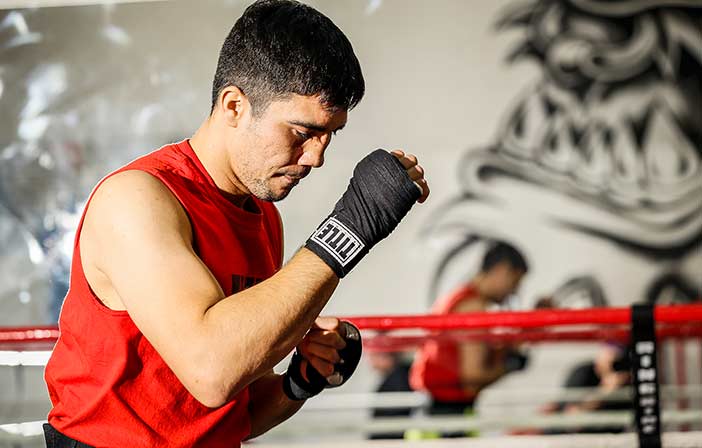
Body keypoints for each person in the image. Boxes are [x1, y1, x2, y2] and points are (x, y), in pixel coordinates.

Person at [42, 1, 429, 447]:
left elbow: (232, 410)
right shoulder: (138, 199)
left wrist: (299, 380)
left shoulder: (263, 219)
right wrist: (354, 225)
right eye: (302, 133)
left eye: (329, 136)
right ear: (234, 106)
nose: (317, 158)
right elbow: (211, 370)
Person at [410, 241, 528, 427]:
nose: (514, 291)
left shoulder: (456, 297)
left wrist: (523, 338)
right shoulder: (473, 308)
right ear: (502, 270)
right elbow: (472, 378)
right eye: (515, 281)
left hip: (433, 412)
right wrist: (509, 366)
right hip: (447, 416)